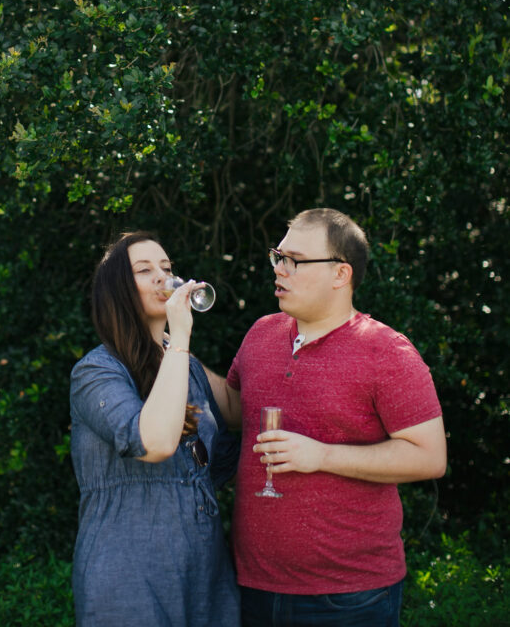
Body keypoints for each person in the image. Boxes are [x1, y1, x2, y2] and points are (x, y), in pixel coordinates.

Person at [207, 207, 446, 627]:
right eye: (277, 257)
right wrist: (170, 349)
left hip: (349, 597)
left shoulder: (387, 352)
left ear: (341, 274)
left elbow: (429, 458)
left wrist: (321, 455)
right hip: (253, 585)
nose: (279, 270)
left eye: (294, 260)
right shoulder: (262, 333)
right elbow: (233, 409)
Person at [69, 231, 240, 627]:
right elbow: (155, 443)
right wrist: (179, 336)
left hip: (204, 573)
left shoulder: (187, 368)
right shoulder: (97, 372)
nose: (164, 277)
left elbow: (225, 432)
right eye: (145, 270)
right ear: (118, 290)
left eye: (167, 267)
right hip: (128, 575)